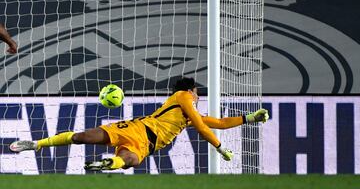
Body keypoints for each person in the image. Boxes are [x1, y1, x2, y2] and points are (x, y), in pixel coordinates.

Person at [10, 77, 269, 171]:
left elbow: (219, 121)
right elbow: (205, 129)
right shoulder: (182, 98)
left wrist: (248, 119)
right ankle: (37, 144)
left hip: (148, 143)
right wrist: (220, 147)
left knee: (130, 161)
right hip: (137, 128)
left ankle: (109, 163)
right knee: (81, 137)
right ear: (190, 91)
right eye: (196, 93)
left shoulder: (188, 114)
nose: (198, 97)